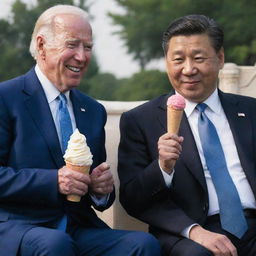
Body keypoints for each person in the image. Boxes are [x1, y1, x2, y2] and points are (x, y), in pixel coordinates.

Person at [0, 4, 161, 256]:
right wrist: (54, 181)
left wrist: (101, 190)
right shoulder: (5, 98)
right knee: (55, 244)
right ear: (42, 46)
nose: (82, 56)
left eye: (87, 47)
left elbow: (97, 191)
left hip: (78, 226)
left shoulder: (93, 110)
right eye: (72, 44)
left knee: (143, 244)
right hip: (19, 226)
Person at [118, 14, 256, 256]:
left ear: (220, 58)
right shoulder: (141, 120)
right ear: (167, 63)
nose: (189, 69)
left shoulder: (251, 111)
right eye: (178, 59)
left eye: (199, 58)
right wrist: (162, 167)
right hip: (191, 233)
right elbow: (132, 198)